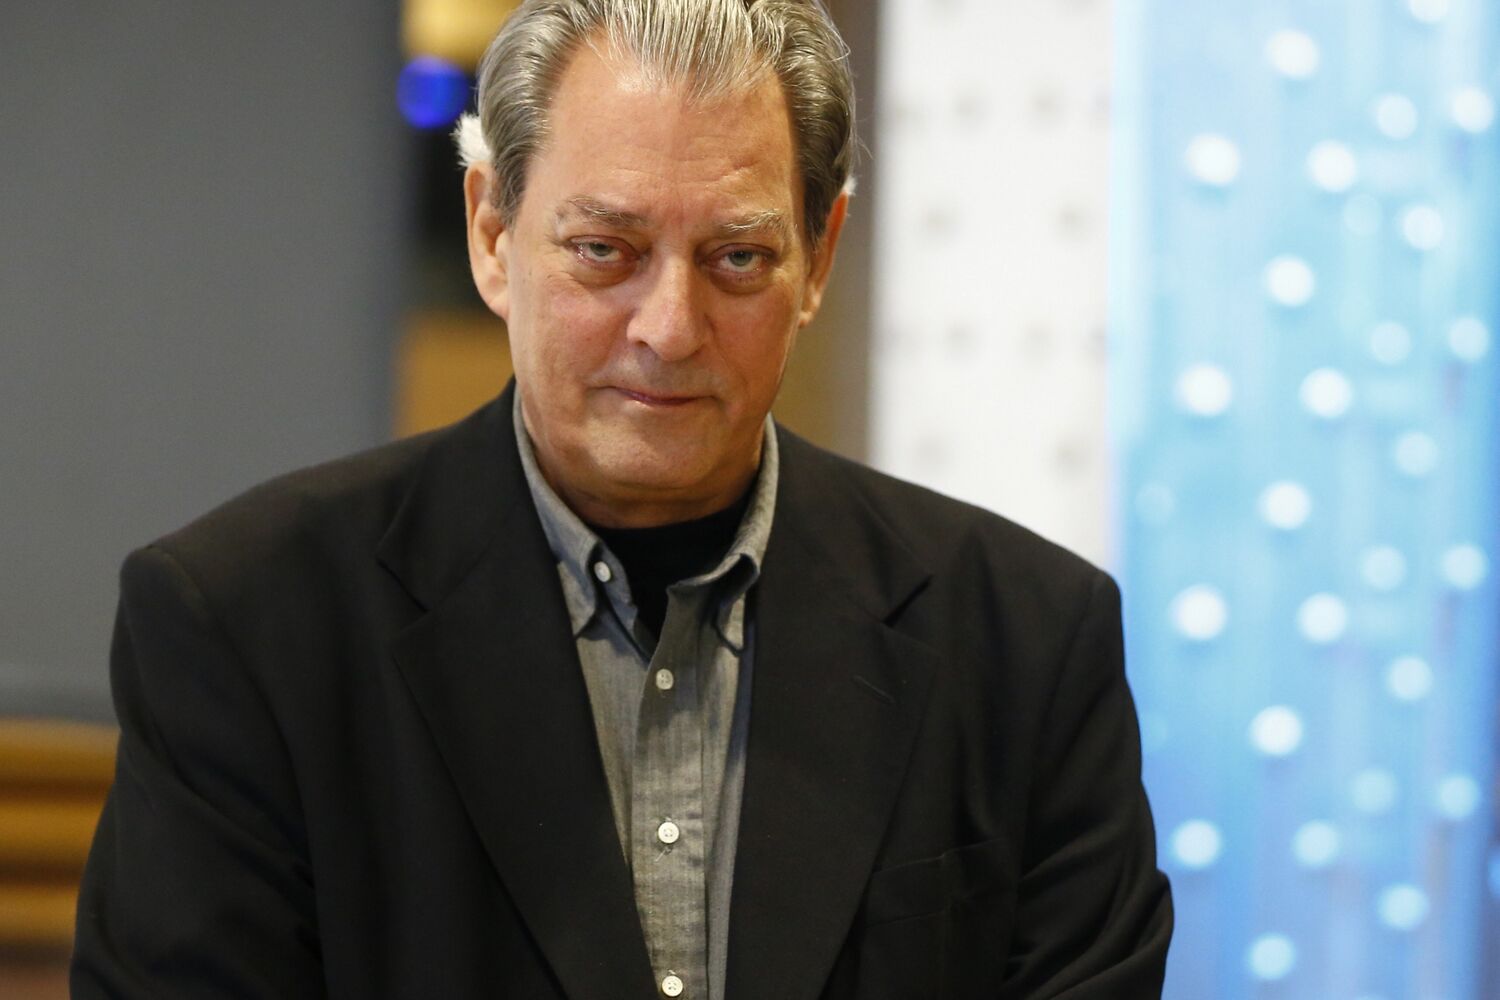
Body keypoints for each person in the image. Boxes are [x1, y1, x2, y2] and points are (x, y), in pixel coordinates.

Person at [72, 1, 1172, 997]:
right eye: (605, 250)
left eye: (737, 257)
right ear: (492, 235)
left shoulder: (1028, 644)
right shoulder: (245, 627)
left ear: (820, 256)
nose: (670, 329)